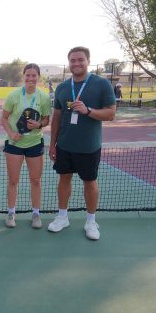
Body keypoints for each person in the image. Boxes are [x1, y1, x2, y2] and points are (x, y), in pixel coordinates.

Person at [48, 46, 116, 240]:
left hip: (89, 146)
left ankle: (91, 221)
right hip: (64, 146)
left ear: (88, 61)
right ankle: (62, 217)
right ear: (68, 63)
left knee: (90, 183)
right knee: (63, 180)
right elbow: (57, 119)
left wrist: (88, 111)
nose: (76, 63)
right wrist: (53, 144)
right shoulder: (62, 87)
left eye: (80, 60)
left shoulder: (102, 84)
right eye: (72, 60)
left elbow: (111, 113)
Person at [1, 63, 52, 229]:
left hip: (35, 144)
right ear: (23, 76)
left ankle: (36, 215)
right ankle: (11, 213)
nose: (30, 78)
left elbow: (46, 120)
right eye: (28, 75)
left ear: (38, 77)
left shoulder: (44, 97)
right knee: (13, 180)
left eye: (34, 75)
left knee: (36, 181)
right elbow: (4, 118)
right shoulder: (14, 96)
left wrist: (38, 124)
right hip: (14, 145)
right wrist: (11, 134)